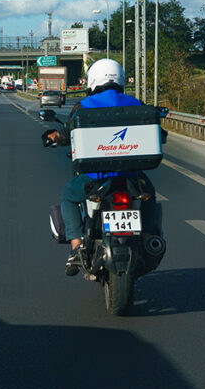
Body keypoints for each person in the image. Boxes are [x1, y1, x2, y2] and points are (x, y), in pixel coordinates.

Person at [43, 58, 157, 276]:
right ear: (121, 79)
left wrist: (54, 137)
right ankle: (150, 237)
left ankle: (76, 246)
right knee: (150, 194)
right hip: (132, 176)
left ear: (93, 80)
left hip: (95, 178)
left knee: (68, 196)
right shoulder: (136, 103)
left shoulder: (84, 106)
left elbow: (68, 133)